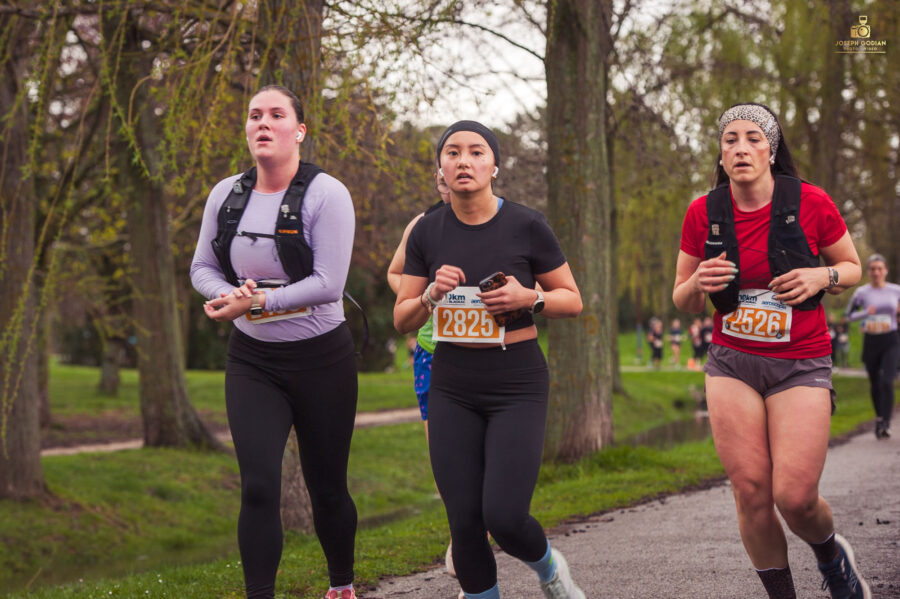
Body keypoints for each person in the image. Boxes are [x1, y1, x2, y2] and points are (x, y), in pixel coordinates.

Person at [673, 102, 867, 599]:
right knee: (752, 493)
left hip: (799, 362)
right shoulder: (703, 212)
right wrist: (697, 282)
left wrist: (821, 275)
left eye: (753, 138)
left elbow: (851, 268)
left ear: (771, 150)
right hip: (732, 364)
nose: (741, 148)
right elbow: (683, 299)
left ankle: (831, 558)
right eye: (730, 140)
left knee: (795, 497)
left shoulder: (811, 202)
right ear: (720, 153)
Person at [394, 120, 585, 599]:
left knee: (503, 516)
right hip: (453, 382)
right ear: (441, 167)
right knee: (463, 520)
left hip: (516, 380)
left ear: (494, 166)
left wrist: (530, 296)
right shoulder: (427, 231)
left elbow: (572, 299)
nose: (464, 161)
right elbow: (401, 317)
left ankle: (550, 569)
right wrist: (431, 296)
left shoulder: (526, 225)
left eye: (476, 152)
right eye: (452, 152)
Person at [190, 85, 359, 599]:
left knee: (327, 488)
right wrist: (227, 295)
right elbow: (202, 267)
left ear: (299, 131)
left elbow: (328, 284)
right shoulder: (225, 195)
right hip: (254, 362)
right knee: (260, 486)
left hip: (322, 360)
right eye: (254, 115)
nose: (263, 123)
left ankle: (342, 585)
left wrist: (258, 302)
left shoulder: (328, 194)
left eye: (276, 115)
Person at [386, 168, 460, 588]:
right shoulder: (422, 224)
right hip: (433, 351)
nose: (452, 172)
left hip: (485, 351)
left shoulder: (499, 221)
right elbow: (395, 273)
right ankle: (460, 531)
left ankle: (479, 522)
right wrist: (426, 294)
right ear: (438, 176)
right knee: (443, 452)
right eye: (447, 160)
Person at [845, 253, 900, 439]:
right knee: (875, 382)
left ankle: (886, 422)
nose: (876, 272)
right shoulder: (862, 293)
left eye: (879, 269)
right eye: (873, 269)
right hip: (871, 341)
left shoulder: (896, 291)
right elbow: (849, 316)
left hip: (891, 339)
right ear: (868, 271)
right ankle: (879, 418)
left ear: (886, 271)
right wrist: (865, 314)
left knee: (887, 381)